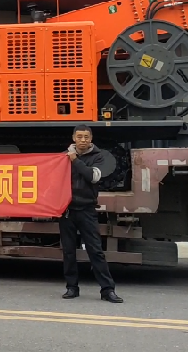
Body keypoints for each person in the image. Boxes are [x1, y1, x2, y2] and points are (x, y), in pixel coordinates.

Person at [59, 124, 123, 303]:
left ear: (91, 139)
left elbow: (93, 176)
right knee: (69, 252)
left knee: (95, 251)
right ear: (74, 138)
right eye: (79, 137)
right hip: (67, 210)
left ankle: (107, 290)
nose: (83, 140)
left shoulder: (99, 156)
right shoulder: (63, 156)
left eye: (86, 137)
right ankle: (71, 287)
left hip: (87, 210)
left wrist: (74, 160)